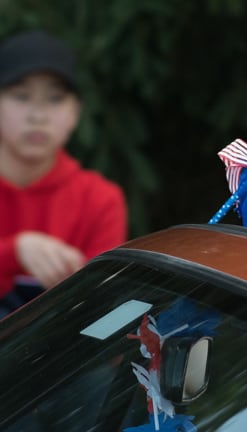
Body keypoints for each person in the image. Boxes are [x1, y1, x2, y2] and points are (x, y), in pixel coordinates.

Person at [0, 28, 126, 317]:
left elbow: (104, 309)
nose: (38, 116)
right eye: (21, 96)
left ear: (75, 113)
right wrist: (15, 251)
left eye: (55, 99)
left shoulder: (100, 199)